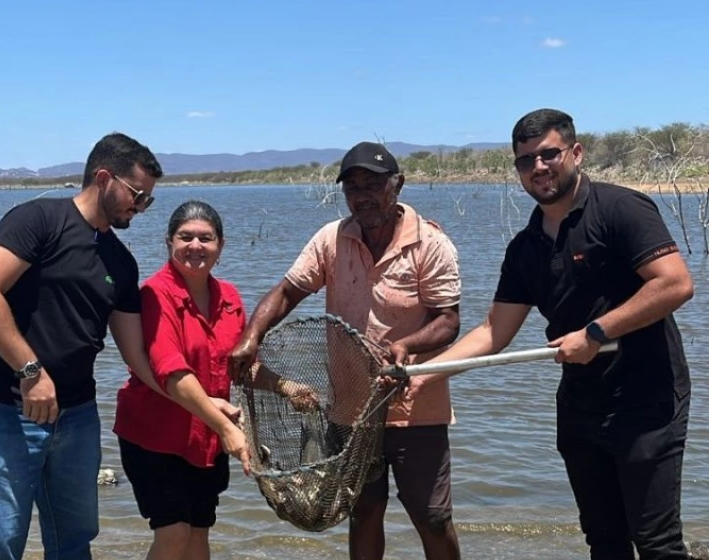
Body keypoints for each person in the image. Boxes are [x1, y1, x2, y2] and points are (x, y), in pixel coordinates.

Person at [418, 108, 694, 560]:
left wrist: (596, 332)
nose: (538, 168)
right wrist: (426, 373)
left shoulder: (620, 208)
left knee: (658, 543)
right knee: (604, 542)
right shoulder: (525, 246)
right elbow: (493, 330)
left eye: (549, 154)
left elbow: (675, 283)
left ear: (576, 153)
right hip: (581, 406)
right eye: (526, 161)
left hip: (648, 400)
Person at [229, 142, 463, 560]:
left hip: (415, 407)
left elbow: (449, 320)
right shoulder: (331, 238)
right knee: (364, 511)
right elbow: (287, 292)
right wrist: (253, 335)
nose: (362, 195)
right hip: (349, 411)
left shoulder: (431, 243)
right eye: (352, 187)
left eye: (372, 184)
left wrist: (408, 345)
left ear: (398, 185)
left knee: (432, 517)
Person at [0, 132, 169, 560]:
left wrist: (198, 402)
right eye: (137, 195)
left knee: (74, 542)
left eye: (148, 200)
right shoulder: (39, 220)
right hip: (4, 409)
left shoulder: (122, 263)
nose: (141, 207)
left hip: (76, 417)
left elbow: (137, 356)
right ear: (104, 177)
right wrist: (31, 372)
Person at [113, 201, 257, 560]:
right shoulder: (155, 294)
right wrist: (226, 428)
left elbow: (243, 365)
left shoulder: (230, 298)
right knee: (174, 532)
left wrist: (289, 388)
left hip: (202, 440)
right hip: (153, 436)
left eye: (206, 238)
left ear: (220, 246)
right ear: (169, 242)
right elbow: (171, 369)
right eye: (186, 237)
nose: (196, 246)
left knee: (197, 534)